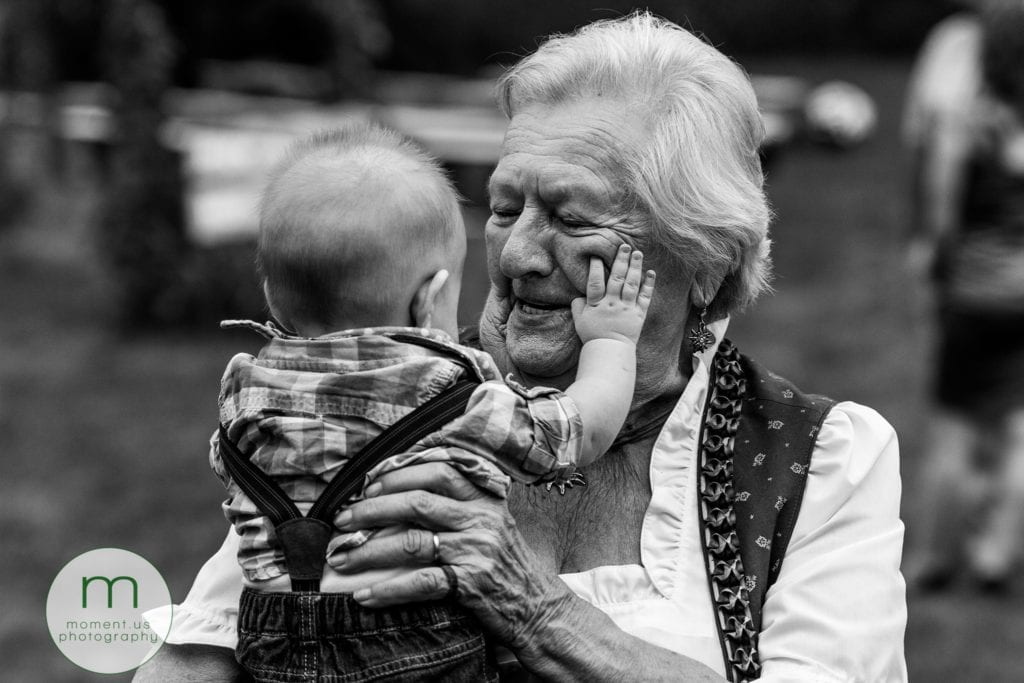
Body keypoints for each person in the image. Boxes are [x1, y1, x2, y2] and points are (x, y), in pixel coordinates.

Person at [137, 13, 906, 682]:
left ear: (704, 264)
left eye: (571, 219)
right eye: (505, 208)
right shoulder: (389, 400)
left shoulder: (819, 460)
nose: (516, 254)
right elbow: (193, 657)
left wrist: (535, 609)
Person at [209, 123, 654, 680]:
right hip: (405, 636)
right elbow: (574, 432)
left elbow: (227, 467)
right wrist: (611, 341)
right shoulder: (451, 397)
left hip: (269, 637)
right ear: (429, 299)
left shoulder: (243, 391)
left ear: (273, 298)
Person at [903, 0, 1024, 591]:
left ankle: (933, 558)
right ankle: (996, 554)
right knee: (1019, 430)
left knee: (954, 425)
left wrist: (939, 272)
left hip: (975, 296)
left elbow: (944, 220)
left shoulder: (968, 123)